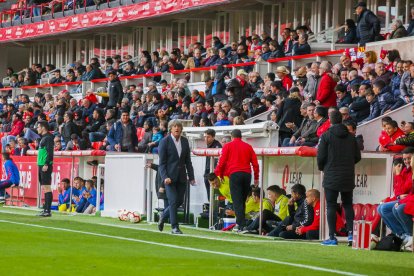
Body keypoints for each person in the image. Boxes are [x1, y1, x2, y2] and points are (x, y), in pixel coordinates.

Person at [318, 110, 361, 245]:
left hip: (331, 175)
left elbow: (321, 156)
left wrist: (322, 168)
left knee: (331, 205)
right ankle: (350, 234)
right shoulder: (351, 137)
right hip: (347, 175)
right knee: (347, 204)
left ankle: (332, 237)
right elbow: (357, 157)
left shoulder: (326, 136)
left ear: (330, 120)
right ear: (341, 120)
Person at [214, 129, 259, 232]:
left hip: (234, 174)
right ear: (241, 136)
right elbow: (255, 163)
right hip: (247, 175)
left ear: (231, 136)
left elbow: (221, 162)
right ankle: (241, 223)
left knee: (237, 201)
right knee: (242, 200)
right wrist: (256, 177)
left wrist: (219, 174)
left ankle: (241, 225)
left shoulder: (227, 146)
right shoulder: (248, 146)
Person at [158, 120, 195, 234]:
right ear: (170, 128)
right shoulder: (165, 141)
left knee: (179, 201)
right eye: (174, 126)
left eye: (178, 126)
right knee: (173, 201)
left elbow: (188, 161)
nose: (176, 128)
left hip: (182, 177)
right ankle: (175, 227)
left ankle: (163, 215)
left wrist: (192, 176)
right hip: (169, 178)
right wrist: (165, 177)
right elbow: (162, 163)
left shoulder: (184, 141)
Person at [36, 121, 55, 217]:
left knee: (47, 187)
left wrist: (46, 163)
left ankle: (48, 210)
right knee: (44, 187)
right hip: (41, 164)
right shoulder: (44, 138)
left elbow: (50, 153)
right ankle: (46, 209)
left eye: (38, 127)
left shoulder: (48, 138)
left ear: (43, 127)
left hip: (45, 165)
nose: (37, 128)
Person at [203, 129, 222, 200]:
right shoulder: (210, 145)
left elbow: (217, 163)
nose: (206, 139)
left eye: (208, 137)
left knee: (215, 194)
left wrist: (214, 174)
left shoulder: (217, 146)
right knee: (210, 192)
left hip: (214, 174)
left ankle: (216, 209)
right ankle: (210, 203)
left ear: (213, 137)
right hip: (208, 171)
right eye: (205, 137)